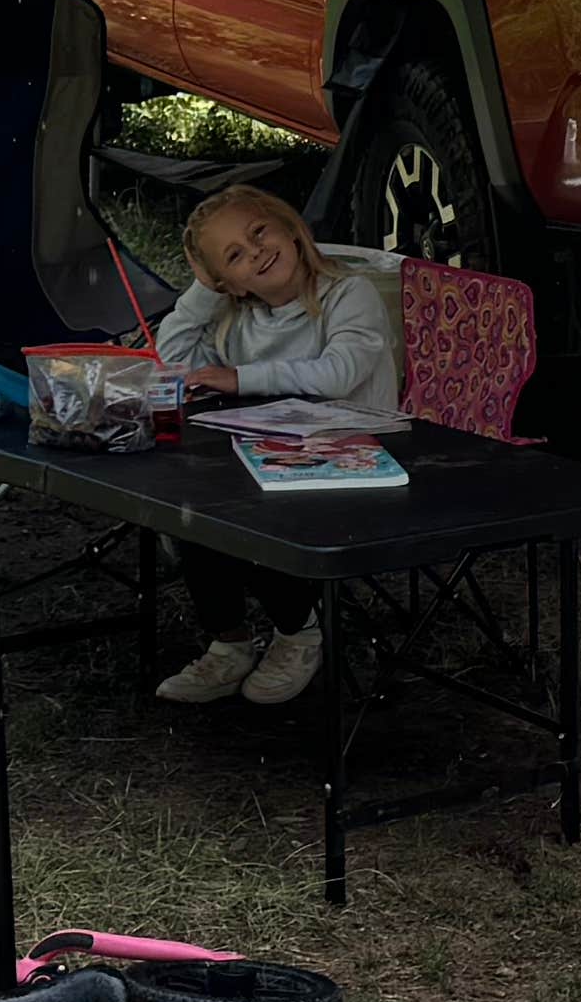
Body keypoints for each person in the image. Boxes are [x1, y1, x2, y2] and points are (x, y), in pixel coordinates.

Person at [147, 187, 396, 707]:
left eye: (259, 232)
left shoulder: (347, 294)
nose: (257, 251)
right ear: (227, 284)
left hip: (357, 461)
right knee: (194, 504)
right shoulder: (240, 316)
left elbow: (339, 373)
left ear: (288, 225)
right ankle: (229, 643)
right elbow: (171, 358)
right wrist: (205, 291)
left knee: (253, 509)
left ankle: (299, 632)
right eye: (235, 255)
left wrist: (239, 378)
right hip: (275, 460)